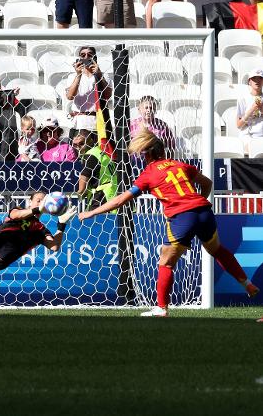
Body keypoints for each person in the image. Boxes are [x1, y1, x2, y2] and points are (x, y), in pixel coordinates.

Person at [78, 130, 260, 317]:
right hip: (204, 212)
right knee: (217, 250)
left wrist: (91, 211)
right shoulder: (181, 165)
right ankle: (247, 284)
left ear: (147, 154)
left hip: (182, 216)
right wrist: (196, 204)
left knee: (166, 262)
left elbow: (119, 201)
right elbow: (207, 183)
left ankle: (161, 308)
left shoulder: (148, 174)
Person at [66, 46, 112, 139]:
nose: (86, 57)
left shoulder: (104, 75)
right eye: (83, 55)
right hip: (79, 123)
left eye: (89, 55)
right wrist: (78, 75)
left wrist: (99, 75)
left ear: (95, 57)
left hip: (97, 122)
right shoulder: (72, 76)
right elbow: (70, 96)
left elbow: (107, 95)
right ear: (79, 58)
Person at [73, 130, 117, 209]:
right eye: (75, 145)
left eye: (81, 143)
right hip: (113, 194)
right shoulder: (99, 152)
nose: (78, 147)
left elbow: (82, 189)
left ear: (90, 141)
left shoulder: (90, 156)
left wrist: (69, 199)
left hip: (102, 198)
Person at [236, 68, 263, 153]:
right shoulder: (242, 99)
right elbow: (239, 125)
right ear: (249, 81)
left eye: (260, 78)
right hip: (247, 137)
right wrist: (251, 110)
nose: (257, 81)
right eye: (254, 78)